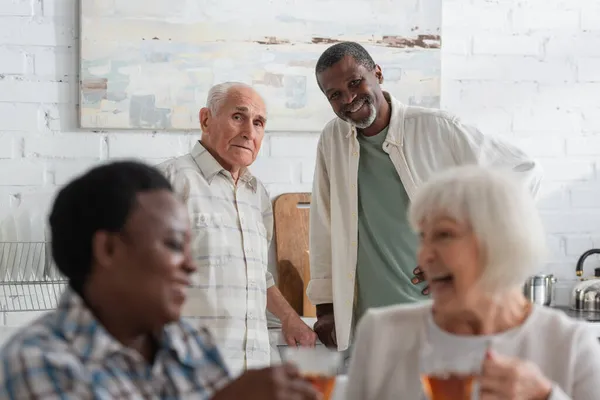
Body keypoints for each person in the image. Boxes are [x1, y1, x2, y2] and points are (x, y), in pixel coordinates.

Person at [0, 161, 319, 400]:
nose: (191, 266)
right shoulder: (37, 359)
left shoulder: (191, 342)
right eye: (173, 245)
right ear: (108, 249)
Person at [307, 41, 543, 355]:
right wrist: (324, 307)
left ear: (377, 73)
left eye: (355, 83)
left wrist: (473, 249)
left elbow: (525, 172)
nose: (348, 98)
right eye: (334, 94)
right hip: (371, 326)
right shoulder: (332, 139)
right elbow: (324, 222)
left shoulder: (438, 129)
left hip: (444, 320)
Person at [345, 165, 600, 399]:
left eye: (444, 235)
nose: (424, 255)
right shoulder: (381, 333)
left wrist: (546, 397)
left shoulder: (571, 345)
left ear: (501, 241)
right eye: (423, 237)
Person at [158, 82, 317, 377]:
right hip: (191, 374)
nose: (249, 132)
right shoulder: (170, 181)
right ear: (206, 119)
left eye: (258, 123)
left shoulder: (256, 193)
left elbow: (259, 274)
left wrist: (289, 317)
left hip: (252, 374)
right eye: (238, 117)